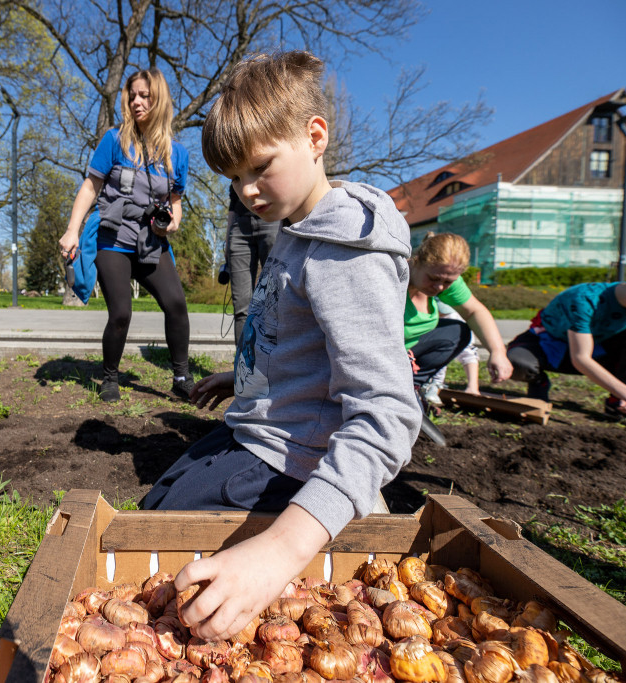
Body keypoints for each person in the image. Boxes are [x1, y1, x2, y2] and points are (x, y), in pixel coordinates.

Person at [139, 51, 421, 641]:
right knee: (156, 510)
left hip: (290, 464)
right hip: (259, 429)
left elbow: (387, 414)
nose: (246, 190)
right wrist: (244, 377)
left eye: (260, 167)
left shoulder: (344, 251)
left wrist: (279, 551)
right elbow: (295, 339)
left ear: (314, 136)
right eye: (233, 178)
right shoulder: (297, 228)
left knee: (168, 572)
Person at [59, 69, 192, 403]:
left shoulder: (177, 154)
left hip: (150, 239)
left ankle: (181, 377)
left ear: (158, 98)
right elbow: (91, 187)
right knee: (121, 311)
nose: (137, 101)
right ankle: (110, 377)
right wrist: (72, 230)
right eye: (132, 95)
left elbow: (175, 203)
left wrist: (171, 223)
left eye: (144, 95)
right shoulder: (113, 140)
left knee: (176, 304)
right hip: (113, 236)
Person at [507, 252, 626, 426]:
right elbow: (581, 358)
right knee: (516, 363)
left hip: (599, 351)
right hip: (549, 346)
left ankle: (618, 401)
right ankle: (538, 382)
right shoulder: (586, 299)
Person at [404, 232, 512, 397]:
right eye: (433, 278)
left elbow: (475, 311)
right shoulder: (393, 277)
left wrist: (497, 351)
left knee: (457, 331)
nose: (439, 287)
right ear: (417, 260)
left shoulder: (443, 275)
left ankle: (412, 387)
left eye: (448, 282)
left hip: (406, 354)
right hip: (376, 353)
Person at [223, 186, 282, 344]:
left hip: (271, 221)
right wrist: (227, 240)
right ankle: (244, 366)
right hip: (240, 227)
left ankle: (273, 365)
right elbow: (232, 205)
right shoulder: (238, 170)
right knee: (241, 308)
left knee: (275, 302)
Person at [421, 301, 481, 405]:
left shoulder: (451, 316)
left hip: (442, 308)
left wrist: (473, 387)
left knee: (443, 346)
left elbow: (468, 352)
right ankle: (429, 383)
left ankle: (435, 383)